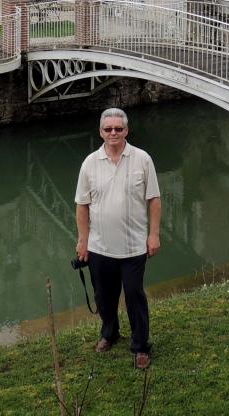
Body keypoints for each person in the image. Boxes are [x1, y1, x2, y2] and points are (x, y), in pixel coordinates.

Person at [75, 107, 162, 370]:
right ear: (101, 132)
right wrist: (83, 240)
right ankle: (109, 333)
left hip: (134, 245)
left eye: (119, 129)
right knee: (104, 297)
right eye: (108, 129)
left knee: (135, 295)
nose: (113, 133)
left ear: (127, 130)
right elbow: (82, 205)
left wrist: (154, 234)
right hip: (100, 246)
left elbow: (154, 199)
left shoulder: (142, 159)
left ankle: (140, 346)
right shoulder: (90, 163)